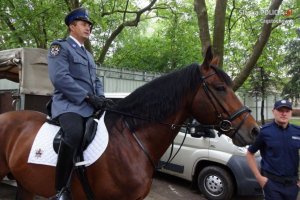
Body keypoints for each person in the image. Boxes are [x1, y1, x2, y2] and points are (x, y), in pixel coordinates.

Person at [48, 7, 107, 200]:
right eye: (84, 24)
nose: (88, 27)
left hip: (90, 105)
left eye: (89, 24)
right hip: (69, 104)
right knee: (73, 134)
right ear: (72, 26)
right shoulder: (60, 47)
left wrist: (101, 97)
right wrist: (87, 97)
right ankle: (61, 189)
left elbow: (95, 80)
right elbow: (60, 78)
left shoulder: (88, 54)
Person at [246, 99, 300, 200]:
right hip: (272, 184)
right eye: (280, 110)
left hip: (292, 185)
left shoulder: (297, 131)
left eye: (287, 111)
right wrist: (259, 177)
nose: (284, 114)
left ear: (291, 113)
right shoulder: (264, 132)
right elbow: (249, 154)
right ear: (273, 111)